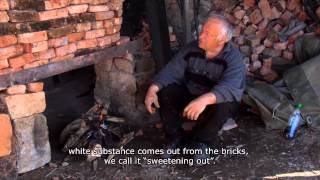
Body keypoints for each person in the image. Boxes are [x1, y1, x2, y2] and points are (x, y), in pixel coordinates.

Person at [144, 13, 246, 162]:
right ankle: (176, 137)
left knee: (226, 103)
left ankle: (203, 142)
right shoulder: (190, 49)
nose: (201, 36)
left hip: (213, 106)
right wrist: (152, 89)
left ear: (222, 40)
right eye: (202, 30)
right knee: (164, 91)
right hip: (191, 97)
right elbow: (171, 71)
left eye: (208, 34)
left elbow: (231, 87)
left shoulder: (234, 59)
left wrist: (204, 100)